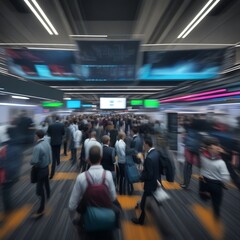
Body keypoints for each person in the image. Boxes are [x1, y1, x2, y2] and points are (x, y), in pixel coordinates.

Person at [68, 145, 118, 236]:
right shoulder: (108, 175)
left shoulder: (81, 177)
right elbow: (113, 197)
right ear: (101, 158)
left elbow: (72, 205)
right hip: (106, 220)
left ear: (88, 160)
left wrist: (75, 220)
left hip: (88, 221)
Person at [131, 135, 160, 225]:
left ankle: (140, 221)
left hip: (149, 184)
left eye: (144, 144)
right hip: (156, 181)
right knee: (149, 199)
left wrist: (141, 177)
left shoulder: (149, 158)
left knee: (143, 202)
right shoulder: (156, 153)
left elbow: (149, 174)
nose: (143, 146)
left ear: (147, 144)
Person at [199, 137, 230, 219]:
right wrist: (225, 183)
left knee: (203, 195)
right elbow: (225, 176)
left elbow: (205, 150)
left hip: (204, 181)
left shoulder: (202, 155)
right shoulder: (221, 162)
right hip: (216, 185)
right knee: (216, 202)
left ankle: (205, 196)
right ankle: (216, 215)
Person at [0, 126, 23, 215]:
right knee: (8, 190)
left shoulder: (5, 148)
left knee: (5, 192)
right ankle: (9, 208)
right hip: (15, 172)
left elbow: (1, 163)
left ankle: (8, 209)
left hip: (6, 174)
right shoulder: (18, 146)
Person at [31, 129, 52, 218]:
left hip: (40, 170)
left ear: (37, 136)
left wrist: (30, 161)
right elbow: (50, 155)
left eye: (35, 135)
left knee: (39, 190)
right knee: (46, 182)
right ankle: (48, 194)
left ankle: (41, 209)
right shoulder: (47, 143)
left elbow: (34, 161)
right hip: (46, 167)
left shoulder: (37, 147)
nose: (34, 137)